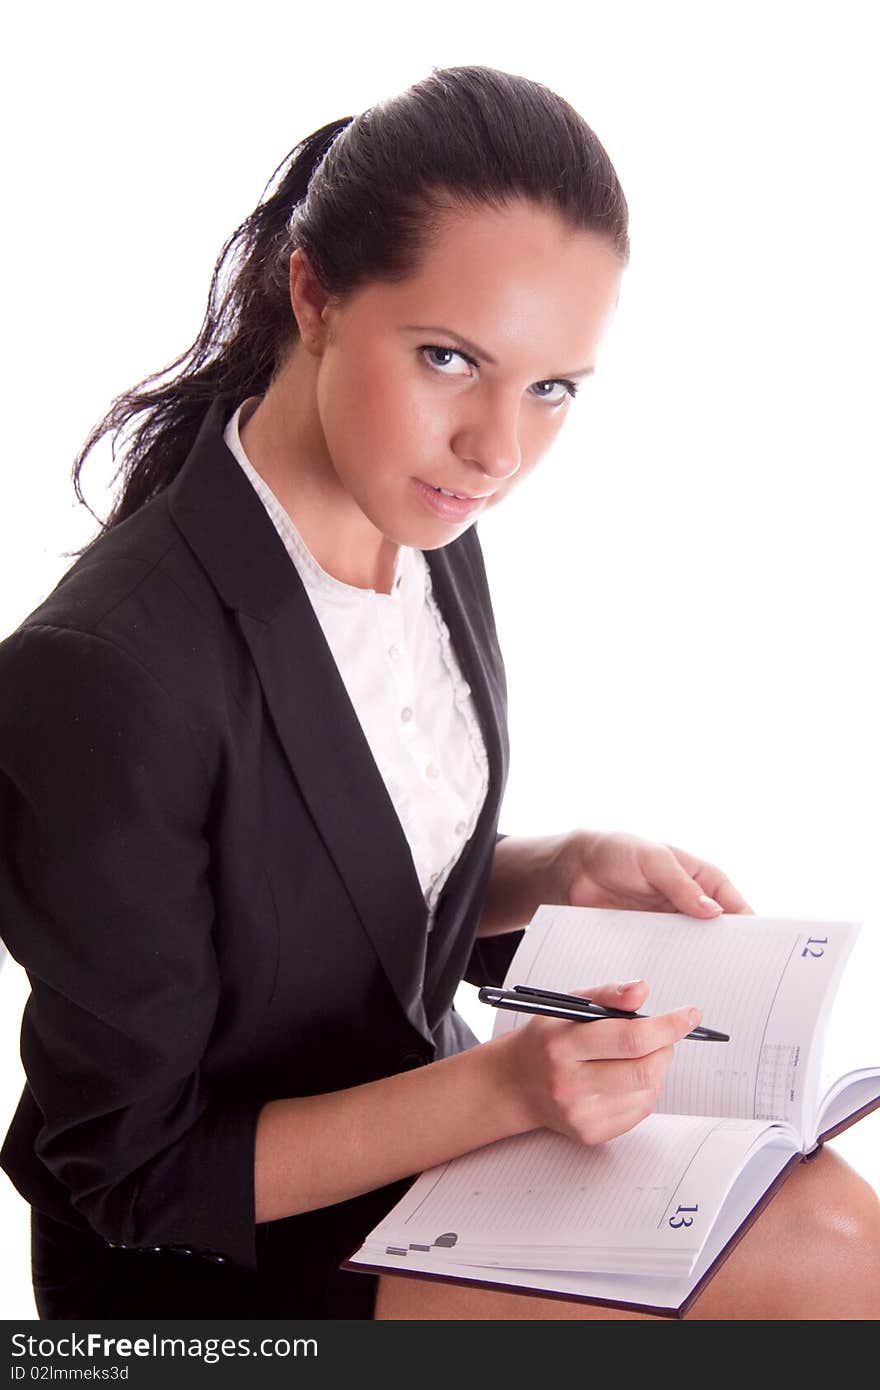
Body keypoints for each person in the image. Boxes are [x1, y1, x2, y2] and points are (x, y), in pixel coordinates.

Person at [0, 65, 877, 1323]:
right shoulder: (102, 678)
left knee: (841, 1222)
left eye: (551, 388)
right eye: (449, 357)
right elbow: (134, 1171)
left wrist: (551, 867)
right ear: (312, 293)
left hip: (419, 1129)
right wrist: (510, 1092)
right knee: (829, 1274)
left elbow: (328, 893)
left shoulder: (423, 525)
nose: (498, 448)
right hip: (214, 1266)